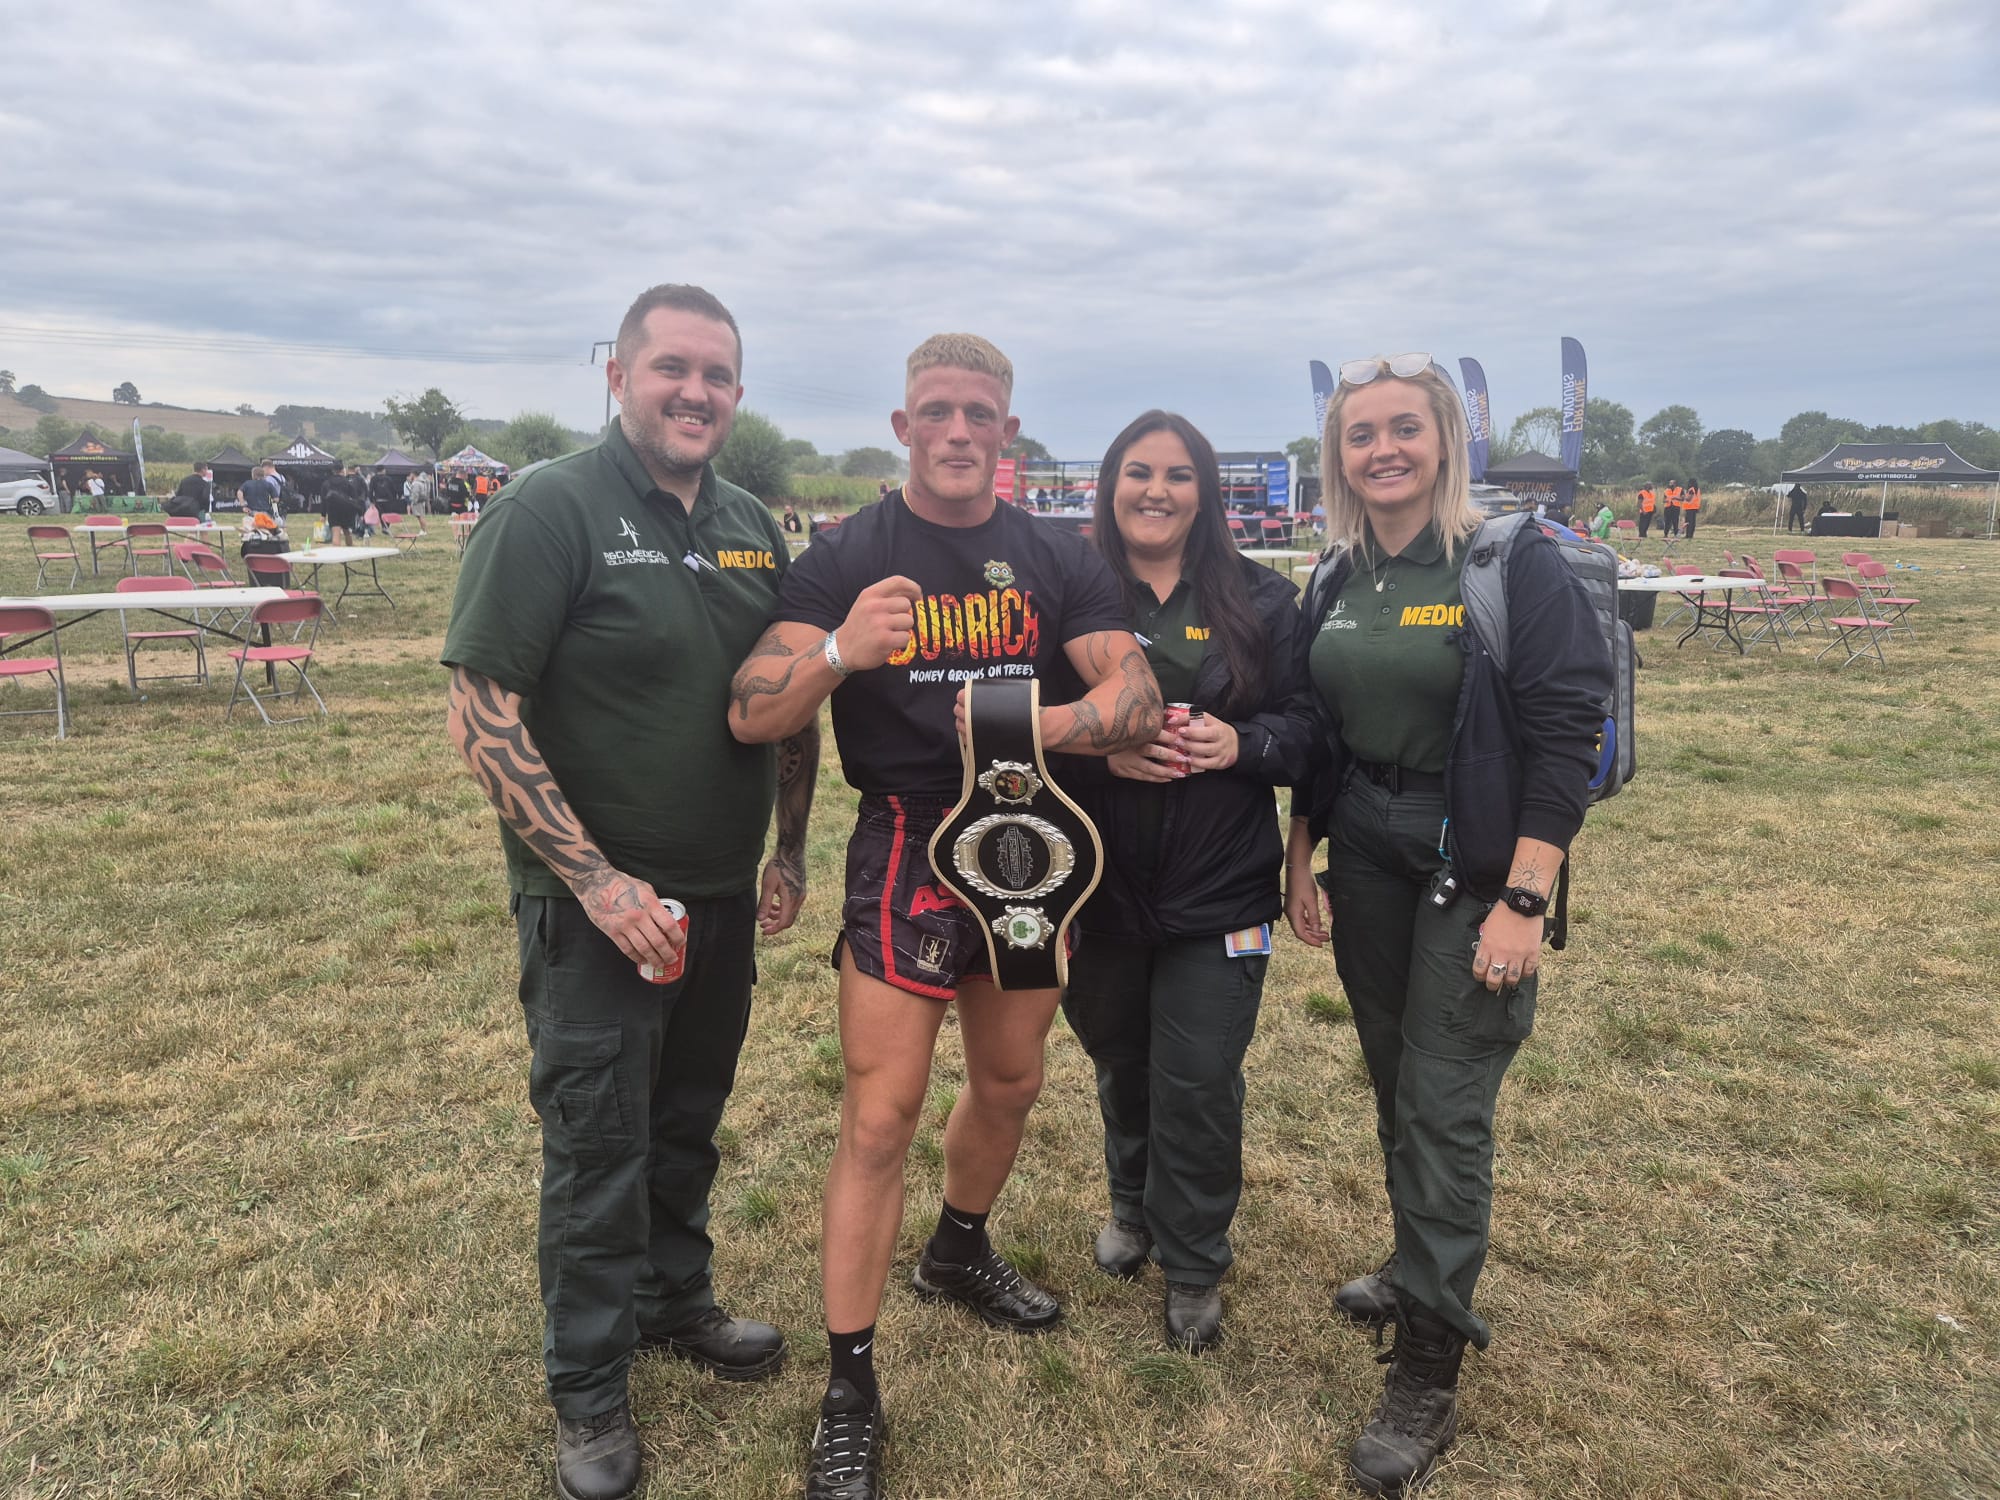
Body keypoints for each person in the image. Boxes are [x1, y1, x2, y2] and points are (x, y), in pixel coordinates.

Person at [727, 333, 1161, 1500]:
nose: (958, 431)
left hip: (1026, 834)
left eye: (978, 414)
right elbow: (753, 711)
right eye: (935, 411)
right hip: (905, 842)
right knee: (880, 1119)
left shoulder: (1053, 554)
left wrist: (1036, 725)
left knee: (1010, 1081)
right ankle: (848, 1392)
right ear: (902, 426)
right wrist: (837, 649)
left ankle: (957, 1251)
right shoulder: (846, 553)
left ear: (1006, 432)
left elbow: (1135, 694)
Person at [443, 283, 813, 1500]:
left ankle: (672, 1300)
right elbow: (481, 712)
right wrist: (597, 882)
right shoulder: (548, 509)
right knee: (598, 1145)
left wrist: (788, 849)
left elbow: (790, 694)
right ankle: (588, 1389)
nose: (694, 393)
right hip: (596, 910)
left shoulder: (753, 525)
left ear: (737, 393)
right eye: (671, 369)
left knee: (687, 1118)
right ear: (617, 376)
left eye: (717, 374)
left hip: (719, 896)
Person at [1284, 355, 1610, 1496]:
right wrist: (1300, 850)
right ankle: (1413, 1260)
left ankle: (1428, 1366)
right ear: (1338, 455)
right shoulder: (1336, 573)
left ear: (1442, 442)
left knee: (1444, 1102)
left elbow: (1567, 733)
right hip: (1365, 850)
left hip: (1470, 858)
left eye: (1402, 429)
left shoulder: (1507, 561)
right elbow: (1315, 725)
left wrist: (1524, 898)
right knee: (1394, 1078)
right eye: (1359, 433)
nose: (1381, 450)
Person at [1059, 411, 1314, 1351]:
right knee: (1120, 1056)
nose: (1156, 491)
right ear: (1109, 486)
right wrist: (1102, 753)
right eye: (1138, 472)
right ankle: (1132, 1206)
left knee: (1199, 1077)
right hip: (1098, 883)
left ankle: (1196, 1261)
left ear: (1205, 492)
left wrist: (1243, 743)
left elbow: (1313, 729)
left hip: (1222, 888)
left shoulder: (1262, 599)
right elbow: (1031, 723)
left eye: (1177, 474)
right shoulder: (1071, 591)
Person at [321, 464, 365, 547]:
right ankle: (350, 549)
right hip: (346, 510)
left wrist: (323, 515)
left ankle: (337, 553)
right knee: (347, 531)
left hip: (333, 509)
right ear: (342, 470)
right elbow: (355, 498)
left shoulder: (326, 483)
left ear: (333, 471)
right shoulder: (347, 482)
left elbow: (323, 500)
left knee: (336, 531)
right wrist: (360, 512)